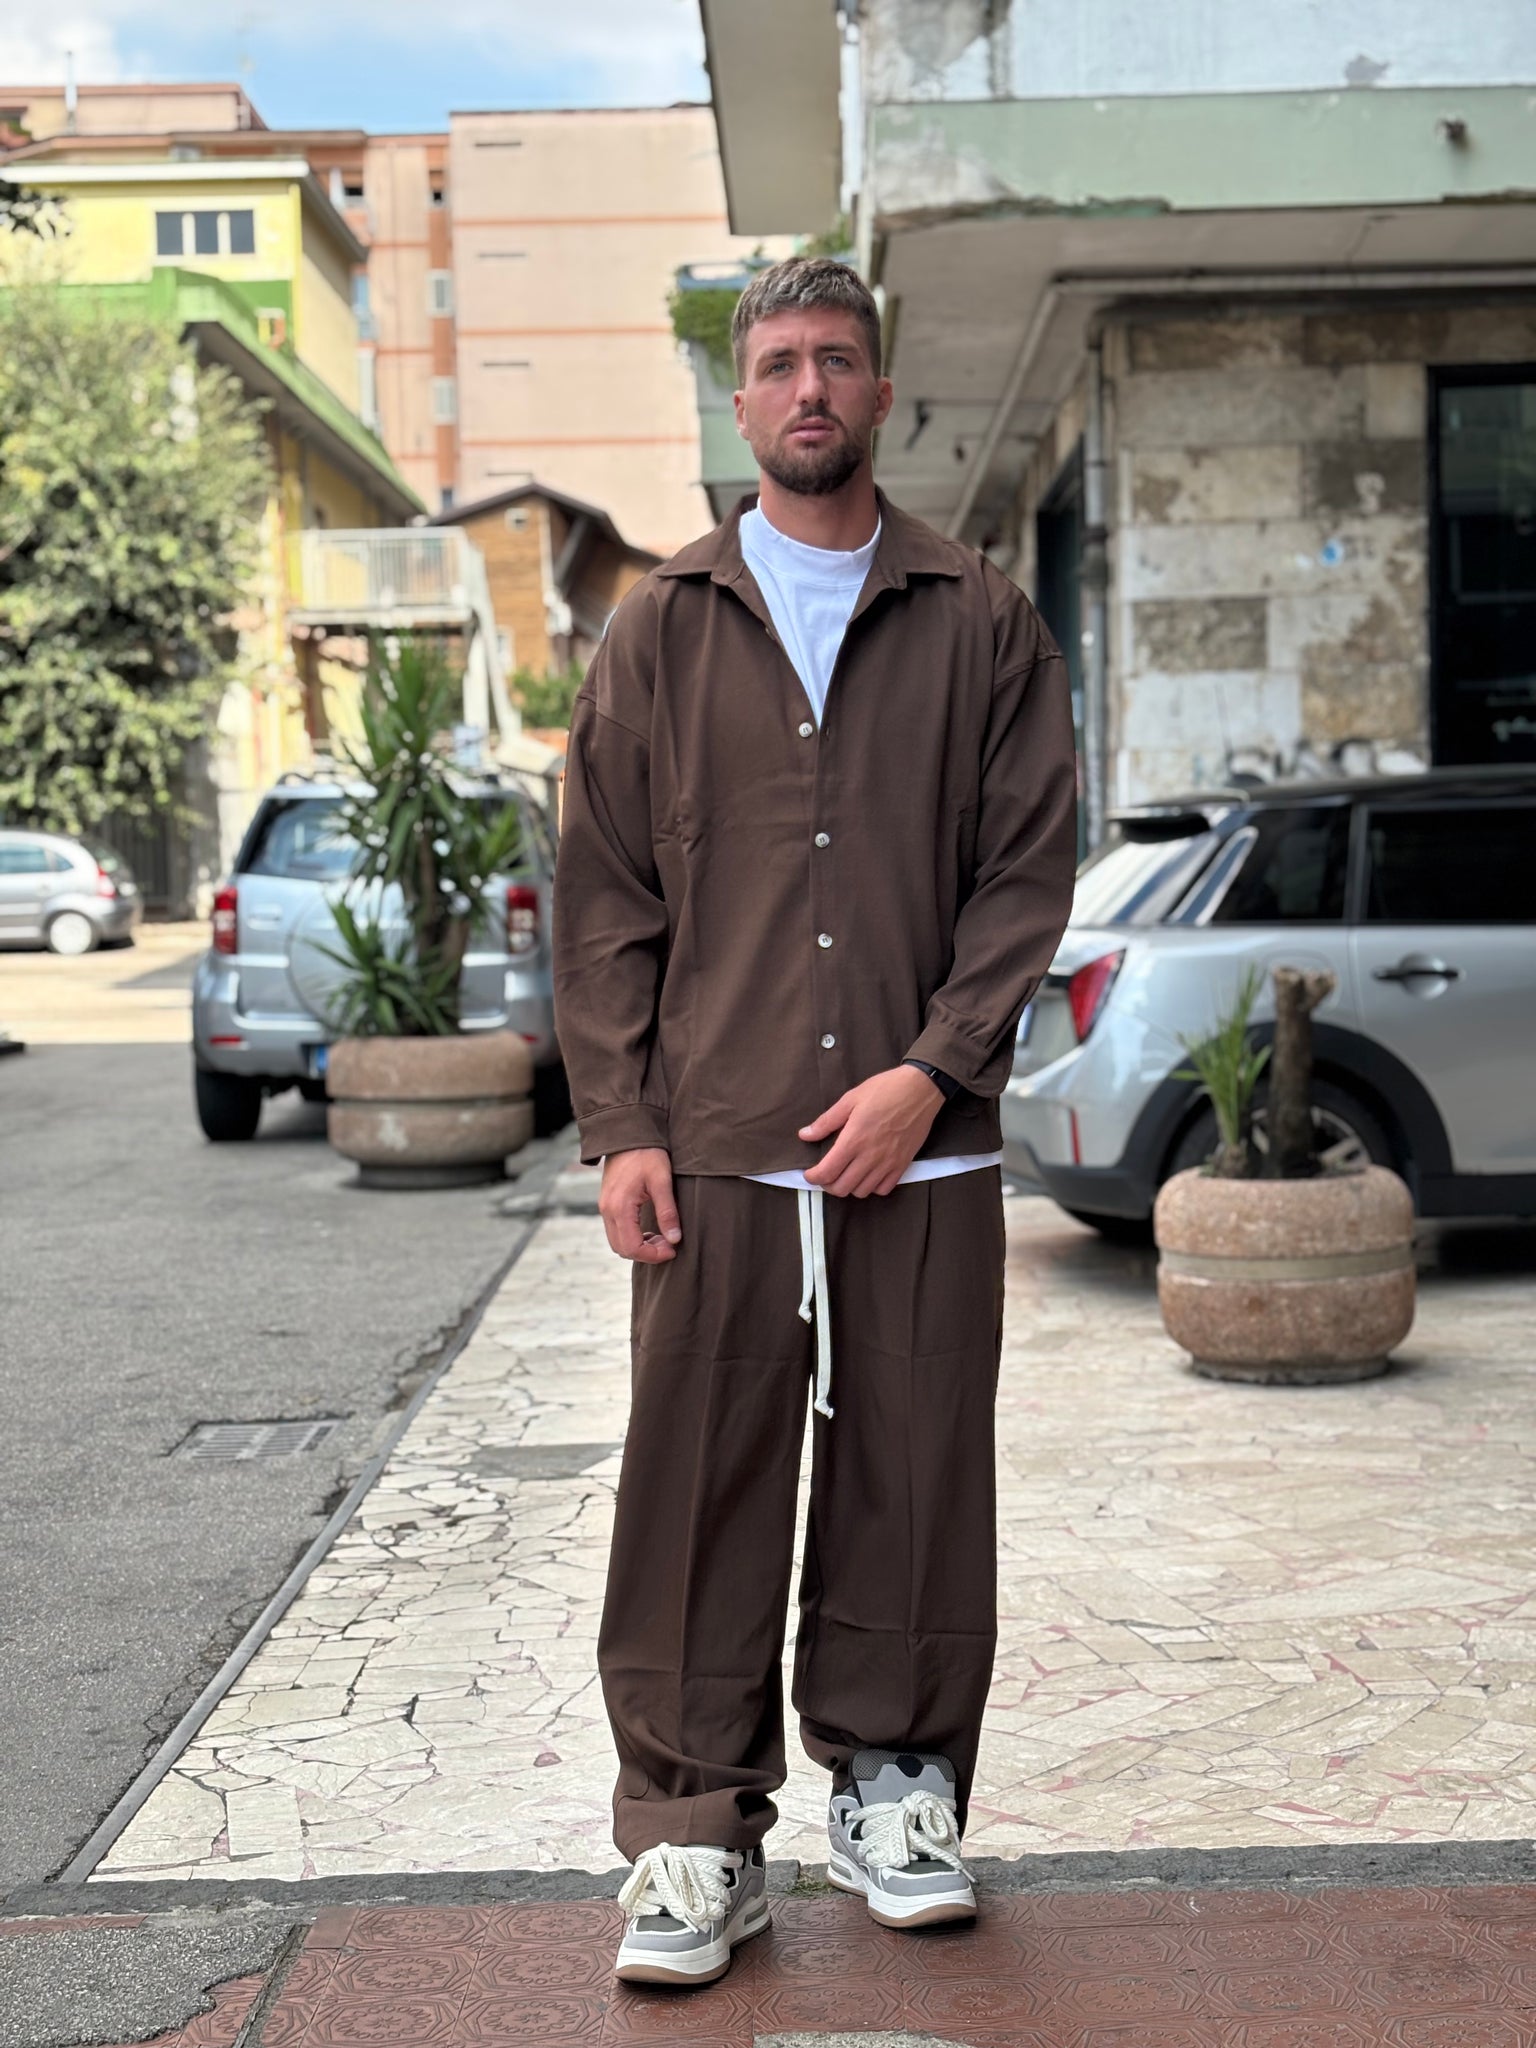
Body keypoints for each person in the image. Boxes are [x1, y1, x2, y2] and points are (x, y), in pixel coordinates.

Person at [553, 255, 1077, 1987]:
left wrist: (933, 1069)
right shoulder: (660, 627)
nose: (807, 389)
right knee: (695, 1486)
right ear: (741, 399)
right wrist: (624, 1122)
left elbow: (1025, 875)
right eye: (778, 362)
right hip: (717, 1147)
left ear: (880, 391)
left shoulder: (983, 619)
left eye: (835, 360)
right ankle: (694, 1831)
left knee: (914, 1474)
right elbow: (605, 895)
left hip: (921, 1147)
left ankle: (897, 1788)